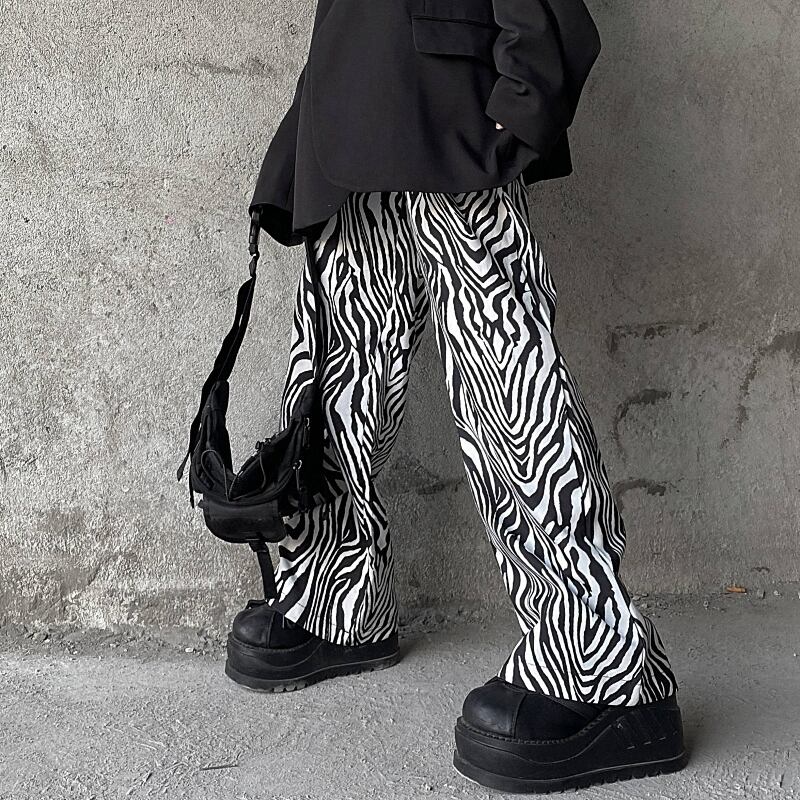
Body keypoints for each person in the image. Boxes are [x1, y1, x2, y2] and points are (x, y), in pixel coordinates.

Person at [225, 0, 687, 792]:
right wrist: (308, 126)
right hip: (351, 117)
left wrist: (518, 103)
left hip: (455, 115)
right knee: (340, 378)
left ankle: (605, 669)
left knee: (511, 392)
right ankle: (339, 602)